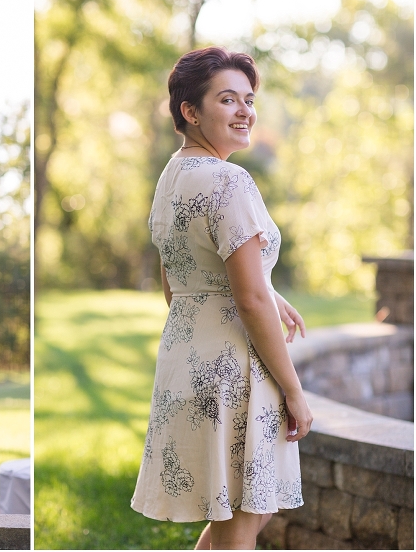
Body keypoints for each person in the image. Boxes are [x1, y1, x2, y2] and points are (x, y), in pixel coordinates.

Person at [130, 47, 313, 549]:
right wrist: (294, 390)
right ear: (191, 111)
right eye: (227, 99)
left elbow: (179, 282)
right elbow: (247, 300)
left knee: (243, 517)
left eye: (248, 100)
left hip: (185, 362)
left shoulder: (172, 179)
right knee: (242, 525)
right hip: (236, 372)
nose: (244, 111)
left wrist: (266, 292)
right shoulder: (230, 180)